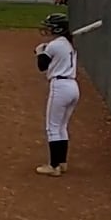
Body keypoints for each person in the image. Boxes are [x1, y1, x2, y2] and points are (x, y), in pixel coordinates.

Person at [35, 13, 80, 176]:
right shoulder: (68, 44)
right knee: (62, 126)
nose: (46, 29)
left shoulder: (55, 45)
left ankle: (53, 166)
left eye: (50, 27)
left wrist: (40, 51)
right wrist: (44, 50)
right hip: (73, 86)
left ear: (57, 29)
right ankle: (62, 162)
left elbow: (42, 66)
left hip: (60, 86)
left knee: (52, 127)